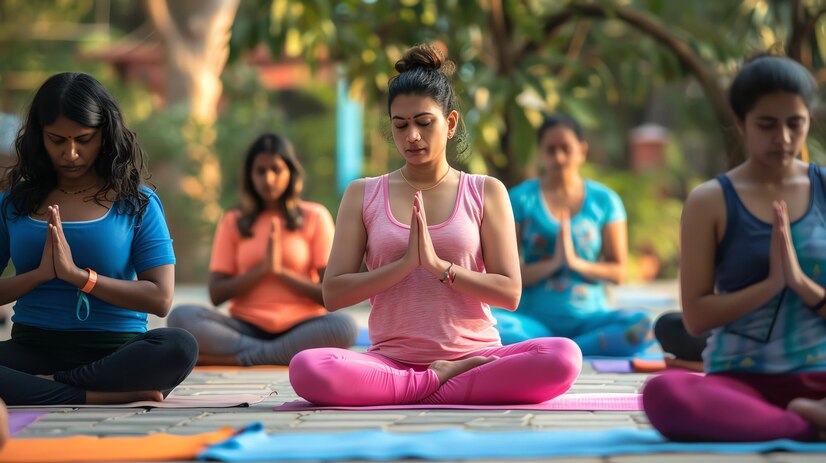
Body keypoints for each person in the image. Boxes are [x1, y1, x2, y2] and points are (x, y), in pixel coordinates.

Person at [287, 44, 582, 406]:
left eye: (424, 123)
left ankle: (421, 386)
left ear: (451, 123)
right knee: (308, 367)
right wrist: (405, 265)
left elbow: (510, 292)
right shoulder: (362, 193)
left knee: (564, 357)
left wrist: (440, 268)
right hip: (391, 362)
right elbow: (333, 294)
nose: (412, 136)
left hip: (476, 358)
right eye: (401, 125)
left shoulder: (485, 191)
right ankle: (439, 382)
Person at [642, 55, 826, 442]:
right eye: (767, 125)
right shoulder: (710, 201)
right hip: (741, 383)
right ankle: (803, 427)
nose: (784, 138)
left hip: (821, 381)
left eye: (796, 124)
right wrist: (772, 284)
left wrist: (799, 283)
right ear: (740, 123)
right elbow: (695, 317)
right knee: (664, 394)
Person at [0, 72, 197, 405]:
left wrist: (79, 277)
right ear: (39, 137)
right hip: (32, 348)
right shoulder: (13, 203)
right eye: (57, 140)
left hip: (115, 352)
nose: (71, 153)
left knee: (180, 346)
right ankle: (95, 394)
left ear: (105, 135)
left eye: (84, 139)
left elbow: (160, 298)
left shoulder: (137, 202)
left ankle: (46, 387)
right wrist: (39, 276)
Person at [167, 133, 358, 365]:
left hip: (304, 326)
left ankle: (241, 358)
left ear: (291, 172)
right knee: (181, 316)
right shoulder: (234, 220)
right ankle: (273, 354)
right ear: (250, 175)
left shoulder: (315, 216)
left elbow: (330, 295)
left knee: (345, 326)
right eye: (260, 170)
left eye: (276, 169)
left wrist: (280, 272)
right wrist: (262, 270)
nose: (268, 178)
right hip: (244, 328)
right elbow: (216, 294)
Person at [493, 114, 652, 356]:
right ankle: (562, 349)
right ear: (540, 152)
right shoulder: (520, 199)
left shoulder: (604, 201)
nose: (558, 157)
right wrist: (554, 263)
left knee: (641, 325)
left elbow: (618, 272)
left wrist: (575, 263)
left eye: (566, 148)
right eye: (550, 149)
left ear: (582, 150)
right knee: (494, 325)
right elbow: (505, 276)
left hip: (590, 320)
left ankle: (559, 351)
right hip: (533, 323)